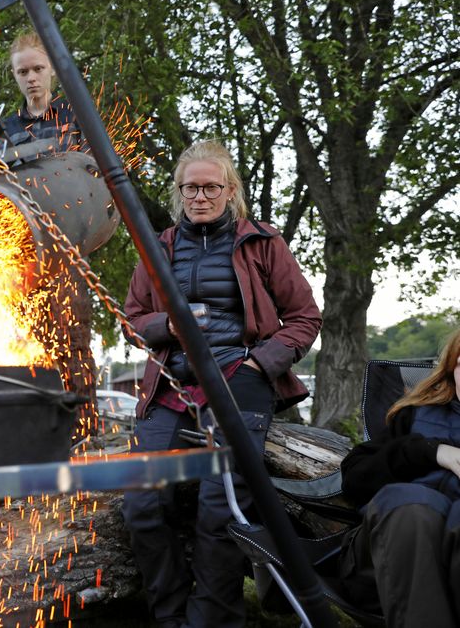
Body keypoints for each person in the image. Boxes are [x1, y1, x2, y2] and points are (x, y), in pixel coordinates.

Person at [120, 139, 321, 627]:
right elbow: (132, 318)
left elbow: (304, 317)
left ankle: (212, 620)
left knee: (220, 509)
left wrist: (261, 363)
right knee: (141, 503)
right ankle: (170, 617)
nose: (201, 197)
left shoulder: (264, 242)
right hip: (172, 385)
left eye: (211, 187)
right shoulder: (159, 246)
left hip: (240, 378)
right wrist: (166, 326)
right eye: (191, 188)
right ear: (179, 192)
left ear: (230, 190)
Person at [0, 31, 96, 432]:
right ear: (15, 76)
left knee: (72, 341)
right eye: (23, 71)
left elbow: (93, 175)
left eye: (38, 69)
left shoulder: (75, 117)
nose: (31, 78)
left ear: (51, 69)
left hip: (68, 250)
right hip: (22, 255)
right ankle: (32, 432)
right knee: (26, 344)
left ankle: (83, 432)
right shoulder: (5, 127)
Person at [338, 329, 460, 627]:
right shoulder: (417, 417)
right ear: (452, 366)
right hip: (382, 561)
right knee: (410, 503)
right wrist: (429, 452)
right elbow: (354, 478)